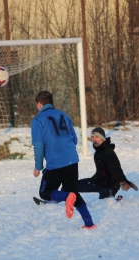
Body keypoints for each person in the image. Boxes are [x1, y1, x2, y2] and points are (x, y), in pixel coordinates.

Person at [31, 90, 95, 230]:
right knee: (73, 192)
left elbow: (38, 145)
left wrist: (38, 166)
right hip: (72, 160)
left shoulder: (37, 120)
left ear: (39, 104)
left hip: (56, 162)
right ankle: (89, 223)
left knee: (45, 192)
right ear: (52, 103)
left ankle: (67, 197)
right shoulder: (63, 115)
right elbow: (74, 139)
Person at [77, 127, 138, 200]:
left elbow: (116, 168)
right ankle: (62, 201)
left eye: (97, 137)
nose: (94, 139)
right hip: (98, 182)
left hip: (110, 186)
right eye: (92, 137)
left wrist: (122, 180)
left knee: (105, 204)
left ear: (102, 138)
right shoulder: (98, 152)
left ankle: (117, 200)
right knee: (70, 186)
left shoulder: (108, 152)